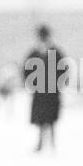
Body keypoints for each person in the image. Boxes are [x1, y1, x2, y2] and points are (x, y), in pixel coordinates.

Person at [23, 24, 67, 152]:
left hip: (52, 92)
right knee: (41, 118)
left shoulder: (55, 52)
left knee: (52, 118)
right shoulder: (34, 53)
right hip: (40, 91)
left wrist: (59, 84)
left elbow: (63, 69)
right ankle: (41, 143)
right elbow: (26, 70)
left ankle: (52, 144)